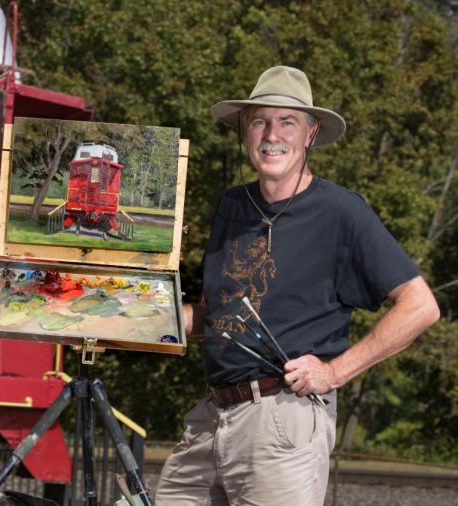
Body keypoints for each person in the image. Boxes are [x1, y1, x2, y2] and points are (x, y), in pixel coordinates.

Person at [154, 66, 440, 505]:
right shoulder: (232, 206)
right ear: (245, 132)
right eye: (259, 121)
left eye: (287, 121)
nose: (272, 134)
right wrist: (132, 315)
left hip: (282, 420)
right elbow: (218, 316)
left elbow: (420, 306)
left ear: (310, 133)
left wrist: (333, 372)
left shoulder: (342, 212)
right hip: (211, 418)